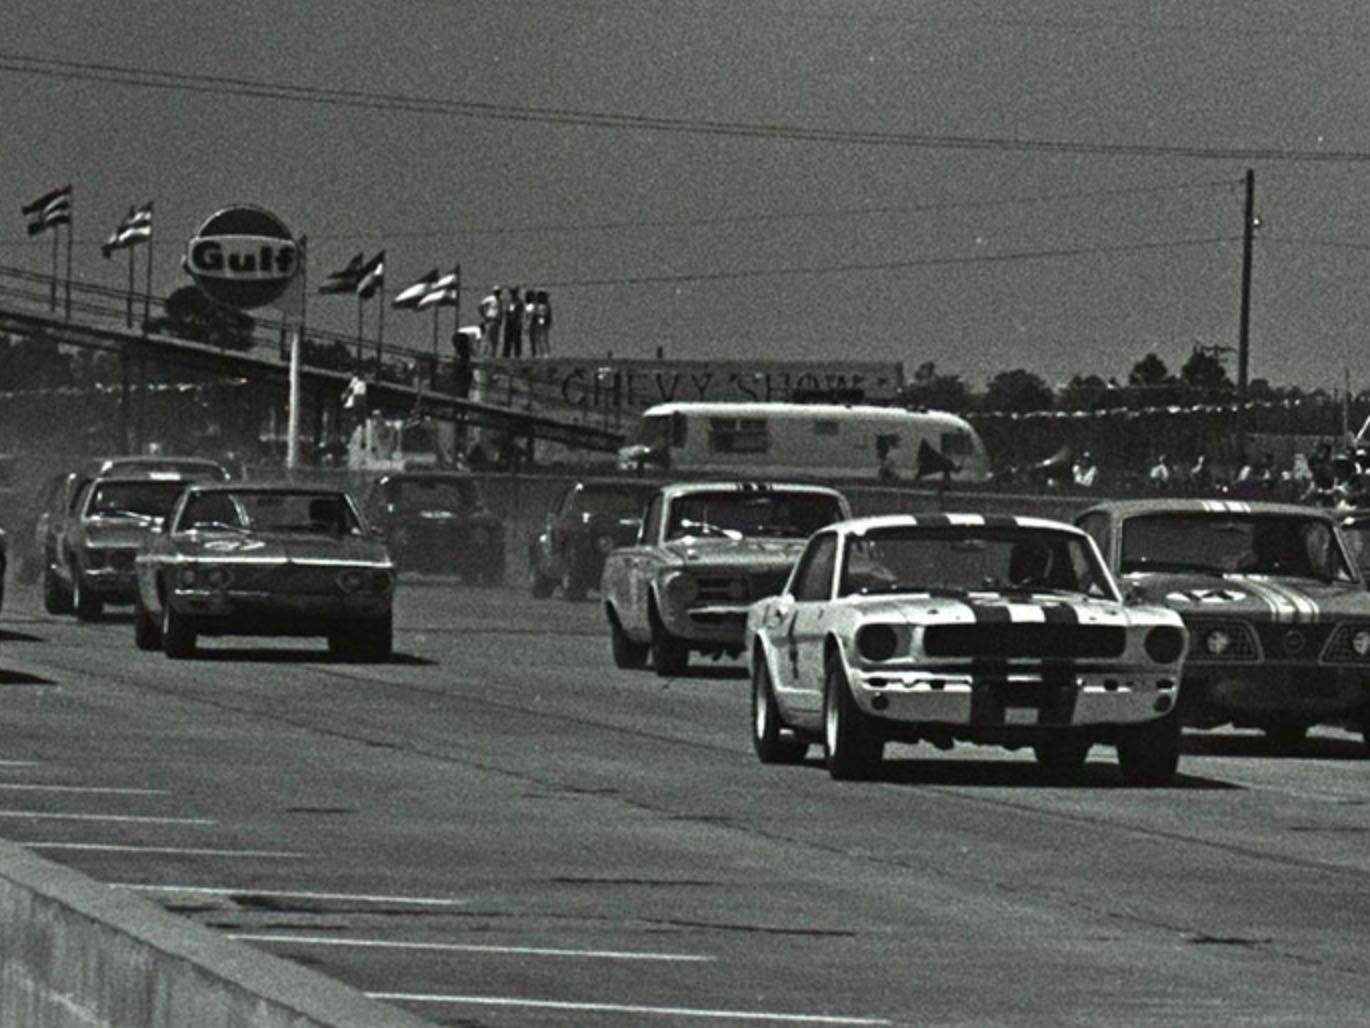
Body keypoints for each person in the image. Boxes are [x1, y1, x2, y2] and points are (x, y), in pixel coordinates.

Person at [479, 285, 503, 356]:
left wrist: (500, 319)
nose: (497, 293)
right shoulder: (490, 299)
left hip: (497, 321)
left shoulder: (500, 300)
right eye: (496, 292)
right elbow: (480, 306)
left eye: (498, 292)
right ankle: (483, 354)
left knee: (495, 340)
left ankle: (493, 355)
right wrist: (484, 315)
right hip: (490, 320)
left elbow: (500, 311)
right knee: (487, 338)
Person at [502, 285, 523, 358]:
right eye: (512, 292)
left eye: (515, 292)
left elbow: (520, 313)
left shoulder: (519, 302)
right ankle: (506, 355)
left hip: (516, 323)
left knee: (517, 340)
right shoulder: (508, 302)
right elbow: (506, 312)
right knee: (507, 339)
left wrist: (518, 322)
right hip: (509, 323)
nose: (513, 294)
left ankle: (517, 355)